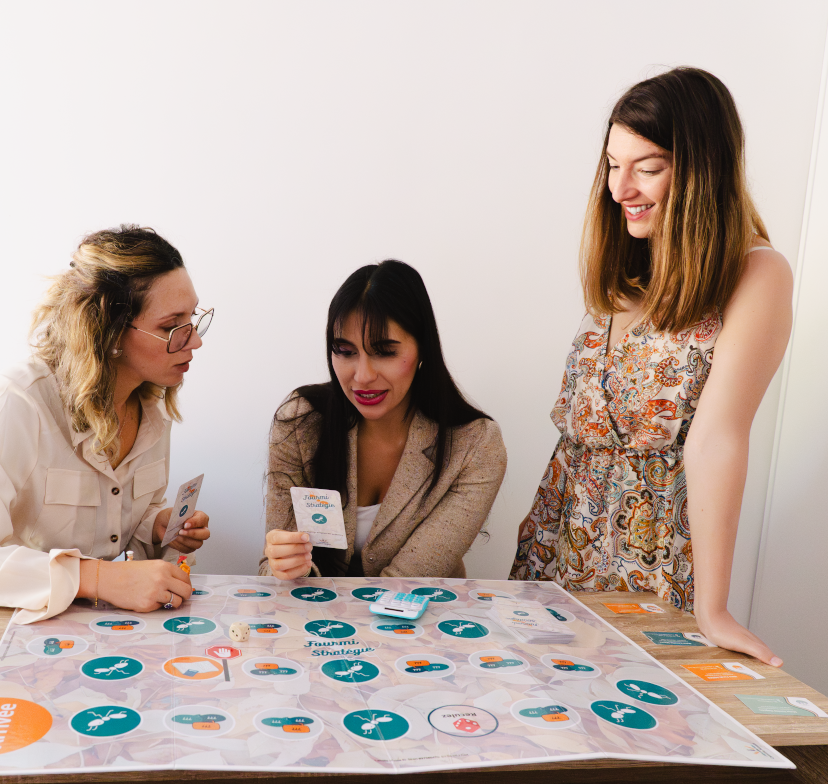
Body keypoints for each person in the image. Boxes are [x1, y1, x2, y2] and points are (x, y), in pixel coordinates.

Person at [509, 68, 792, 666]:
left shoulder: (755, 274)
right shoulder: (626, 267)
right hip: (557, 553)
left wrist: (713, 609)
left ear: (702, 171)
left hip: (650, 564)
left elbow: (716, 440)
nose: (620, 188)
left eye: (648, 167)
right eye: (613, 165)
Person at [0, 226, 213, 623]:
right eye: (171, 327)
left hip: (82, 629)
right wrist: (96, 577)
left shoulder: (152, 410)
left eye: (193, 319)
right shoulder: (19, 400)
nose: (194, 341)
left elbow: (112, 529)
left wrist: (155, 526)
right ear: (109, 330)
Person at [261, 260, 507, 579]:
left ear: (423, 349)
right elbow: (271, 570)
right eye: (345, 351)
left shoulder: (475, 445)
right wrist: (286, 568)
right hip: (316, 609)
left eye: (384, 352)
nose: (362, 376)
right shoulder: (300, 422)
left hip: (419, 610)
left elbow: (405, 582)